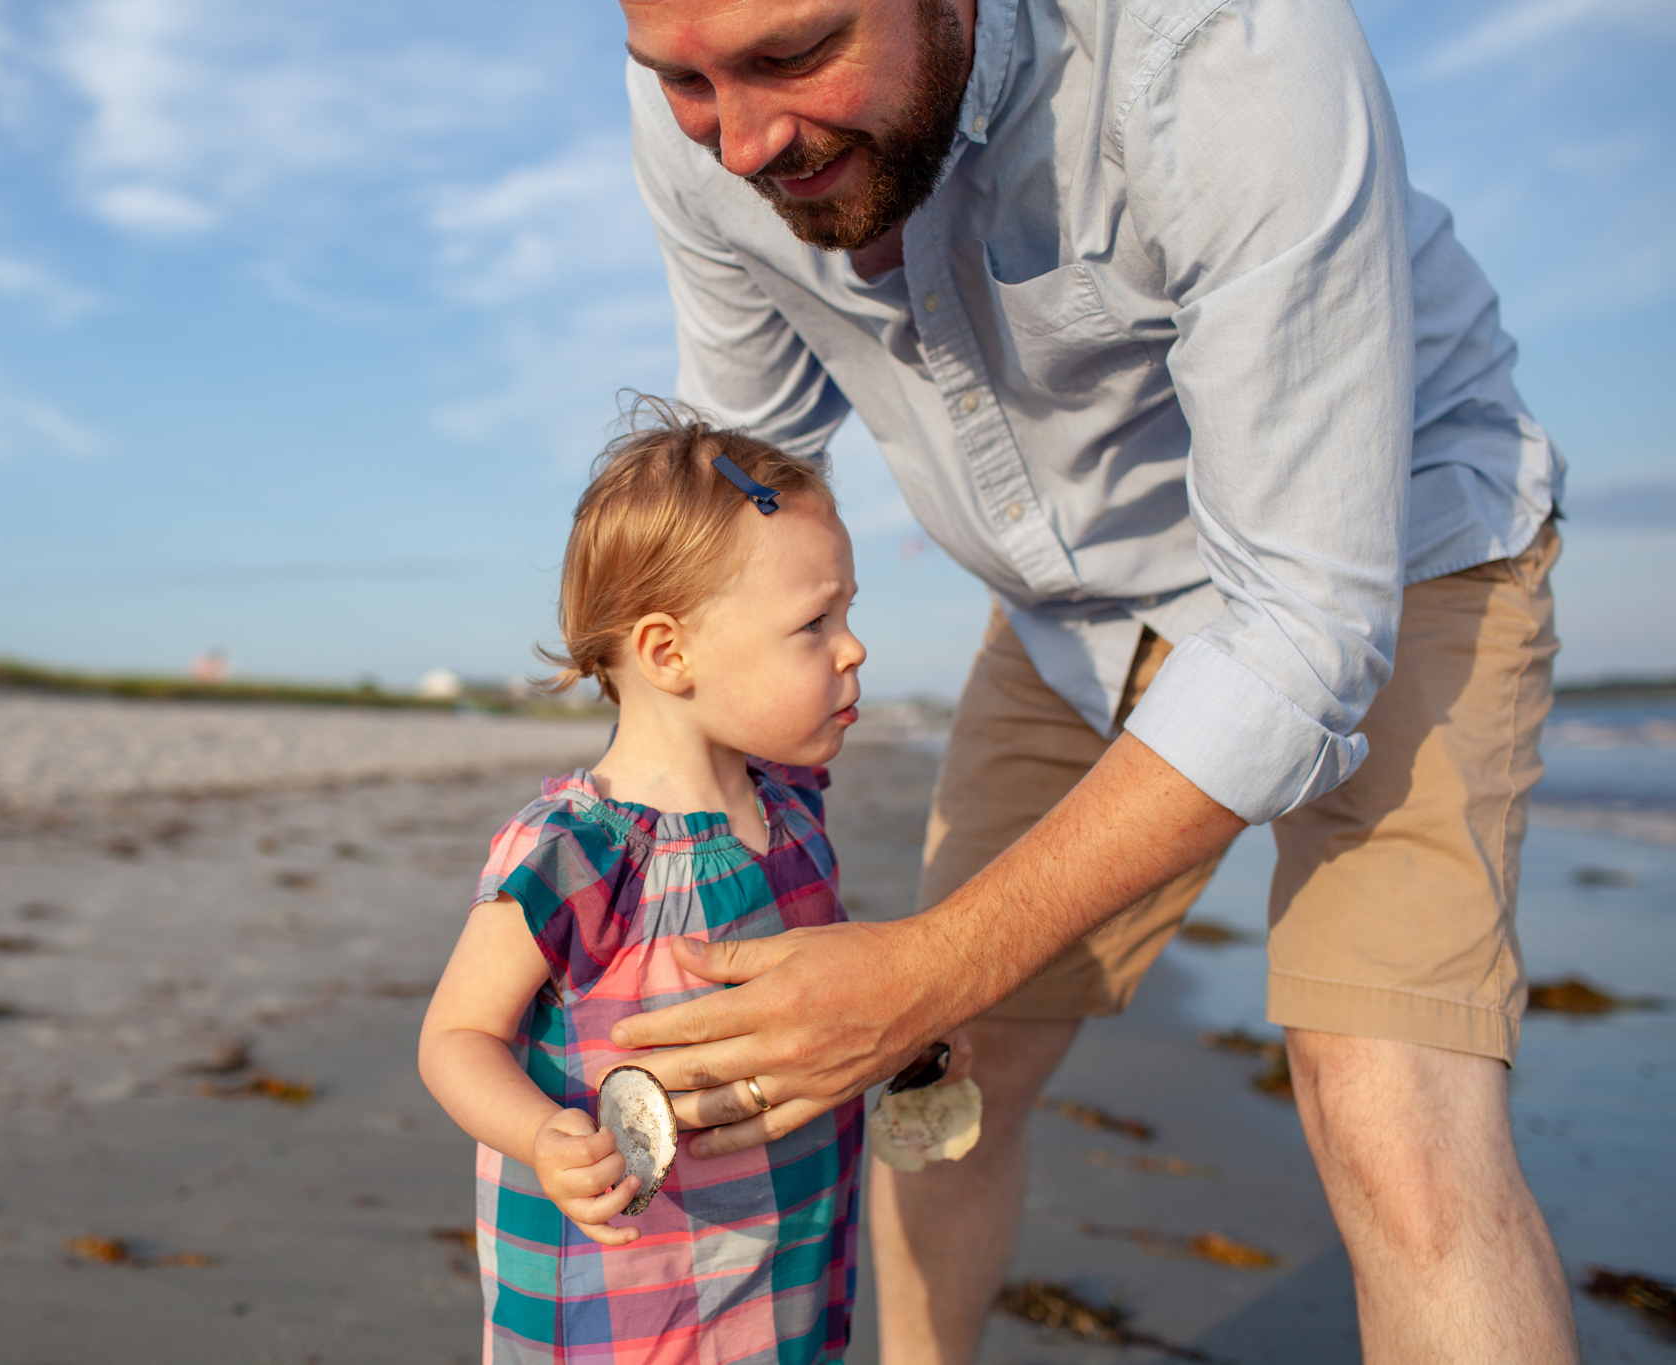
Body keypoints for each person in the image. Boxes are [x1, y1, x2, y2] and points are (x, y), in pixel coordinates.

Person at [607, 0, 1577, 1360]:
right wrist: (637, 799)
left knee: (1390, 1108)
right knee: (939, 1078)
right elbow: (742, 461)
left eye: (793, 54)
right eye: (689, 79)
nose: (745, 137)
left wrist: (928, 963)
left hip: (1386, 545)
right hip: (1075, 604)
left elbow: (1300, 627)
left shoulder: (1225, 50)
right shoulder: (696, 103)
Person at [417, 406, 870, 1362]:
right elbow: (455, 1037)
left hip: (786, 1256)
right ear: (670, 653)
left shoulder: (792, 810)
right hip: (623, 1294)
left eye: (848, 613)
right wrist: (543, 1136)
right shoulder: (573, 852)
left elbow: (824, 991)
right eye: (814, 622)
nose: (853, 647)